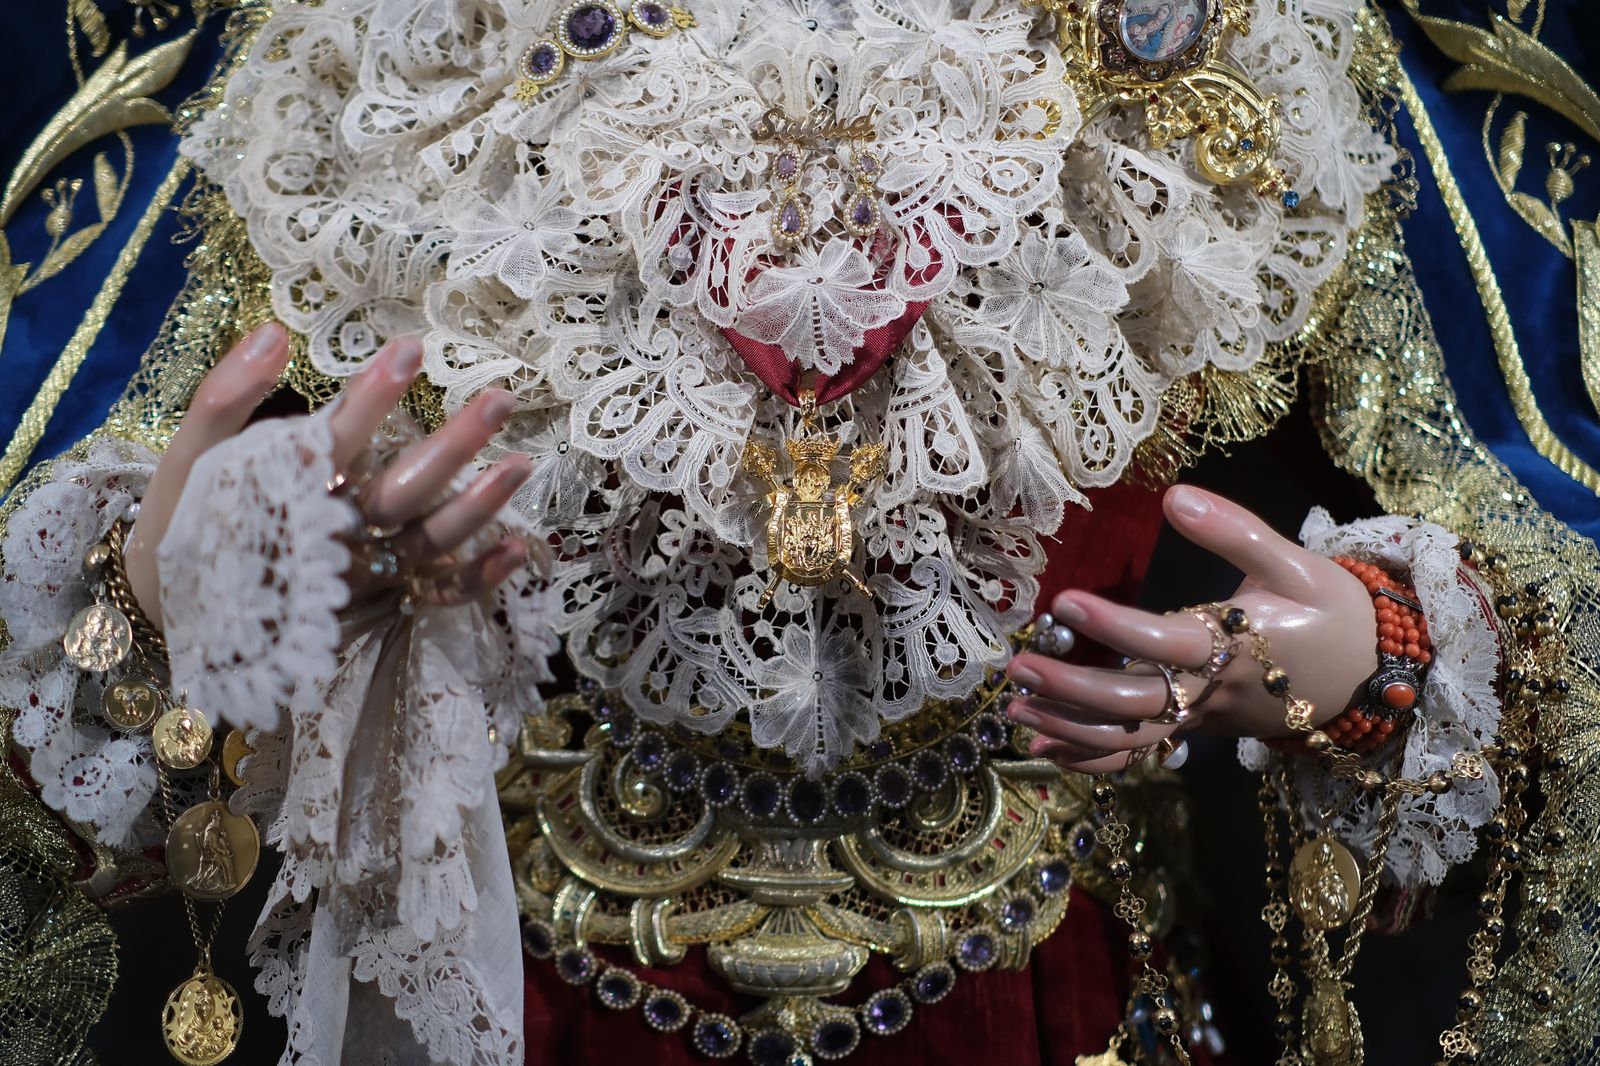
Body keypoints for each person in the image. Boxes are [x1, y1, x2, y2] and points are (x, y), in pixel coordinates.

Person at [0, 1, 1594, 1064]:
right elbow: (78, 552)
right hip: (532, 992)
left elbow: (1542, 543)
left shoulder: (1244, 46)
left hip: (1058, 987)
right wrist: (167, 595)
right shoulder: (366, 55)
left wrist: (1369, 654)